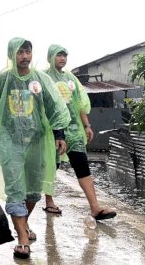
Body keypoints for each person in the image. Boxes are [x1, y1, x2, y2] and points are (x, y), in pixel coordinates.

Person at [0, 37, 70, 259]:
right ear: (11, 55)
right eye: (20, 52)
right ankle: (22, 239)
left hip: (37, 138)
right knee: (15, 188)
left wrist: (59, 134)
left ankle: (23, 223)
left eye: (28, 51)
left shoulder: (41, 79)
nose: (25, 56)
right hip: (10, 139)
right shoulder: (2, 80)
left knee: (34, 190)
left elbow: (54, 107)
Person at [43, 44, 116, 219]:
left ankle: (95, 207)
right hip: (52, 130)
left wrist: (87, 125)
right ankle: (49, 201)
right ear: (51, 57)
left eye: (64, 55)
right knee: (53, 166)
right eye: (59, 55)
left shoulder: (70, 78)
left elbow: (79, 103)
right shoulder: (43, 77)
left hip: (74, 129)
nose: (62, 58)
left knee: (82, 164)